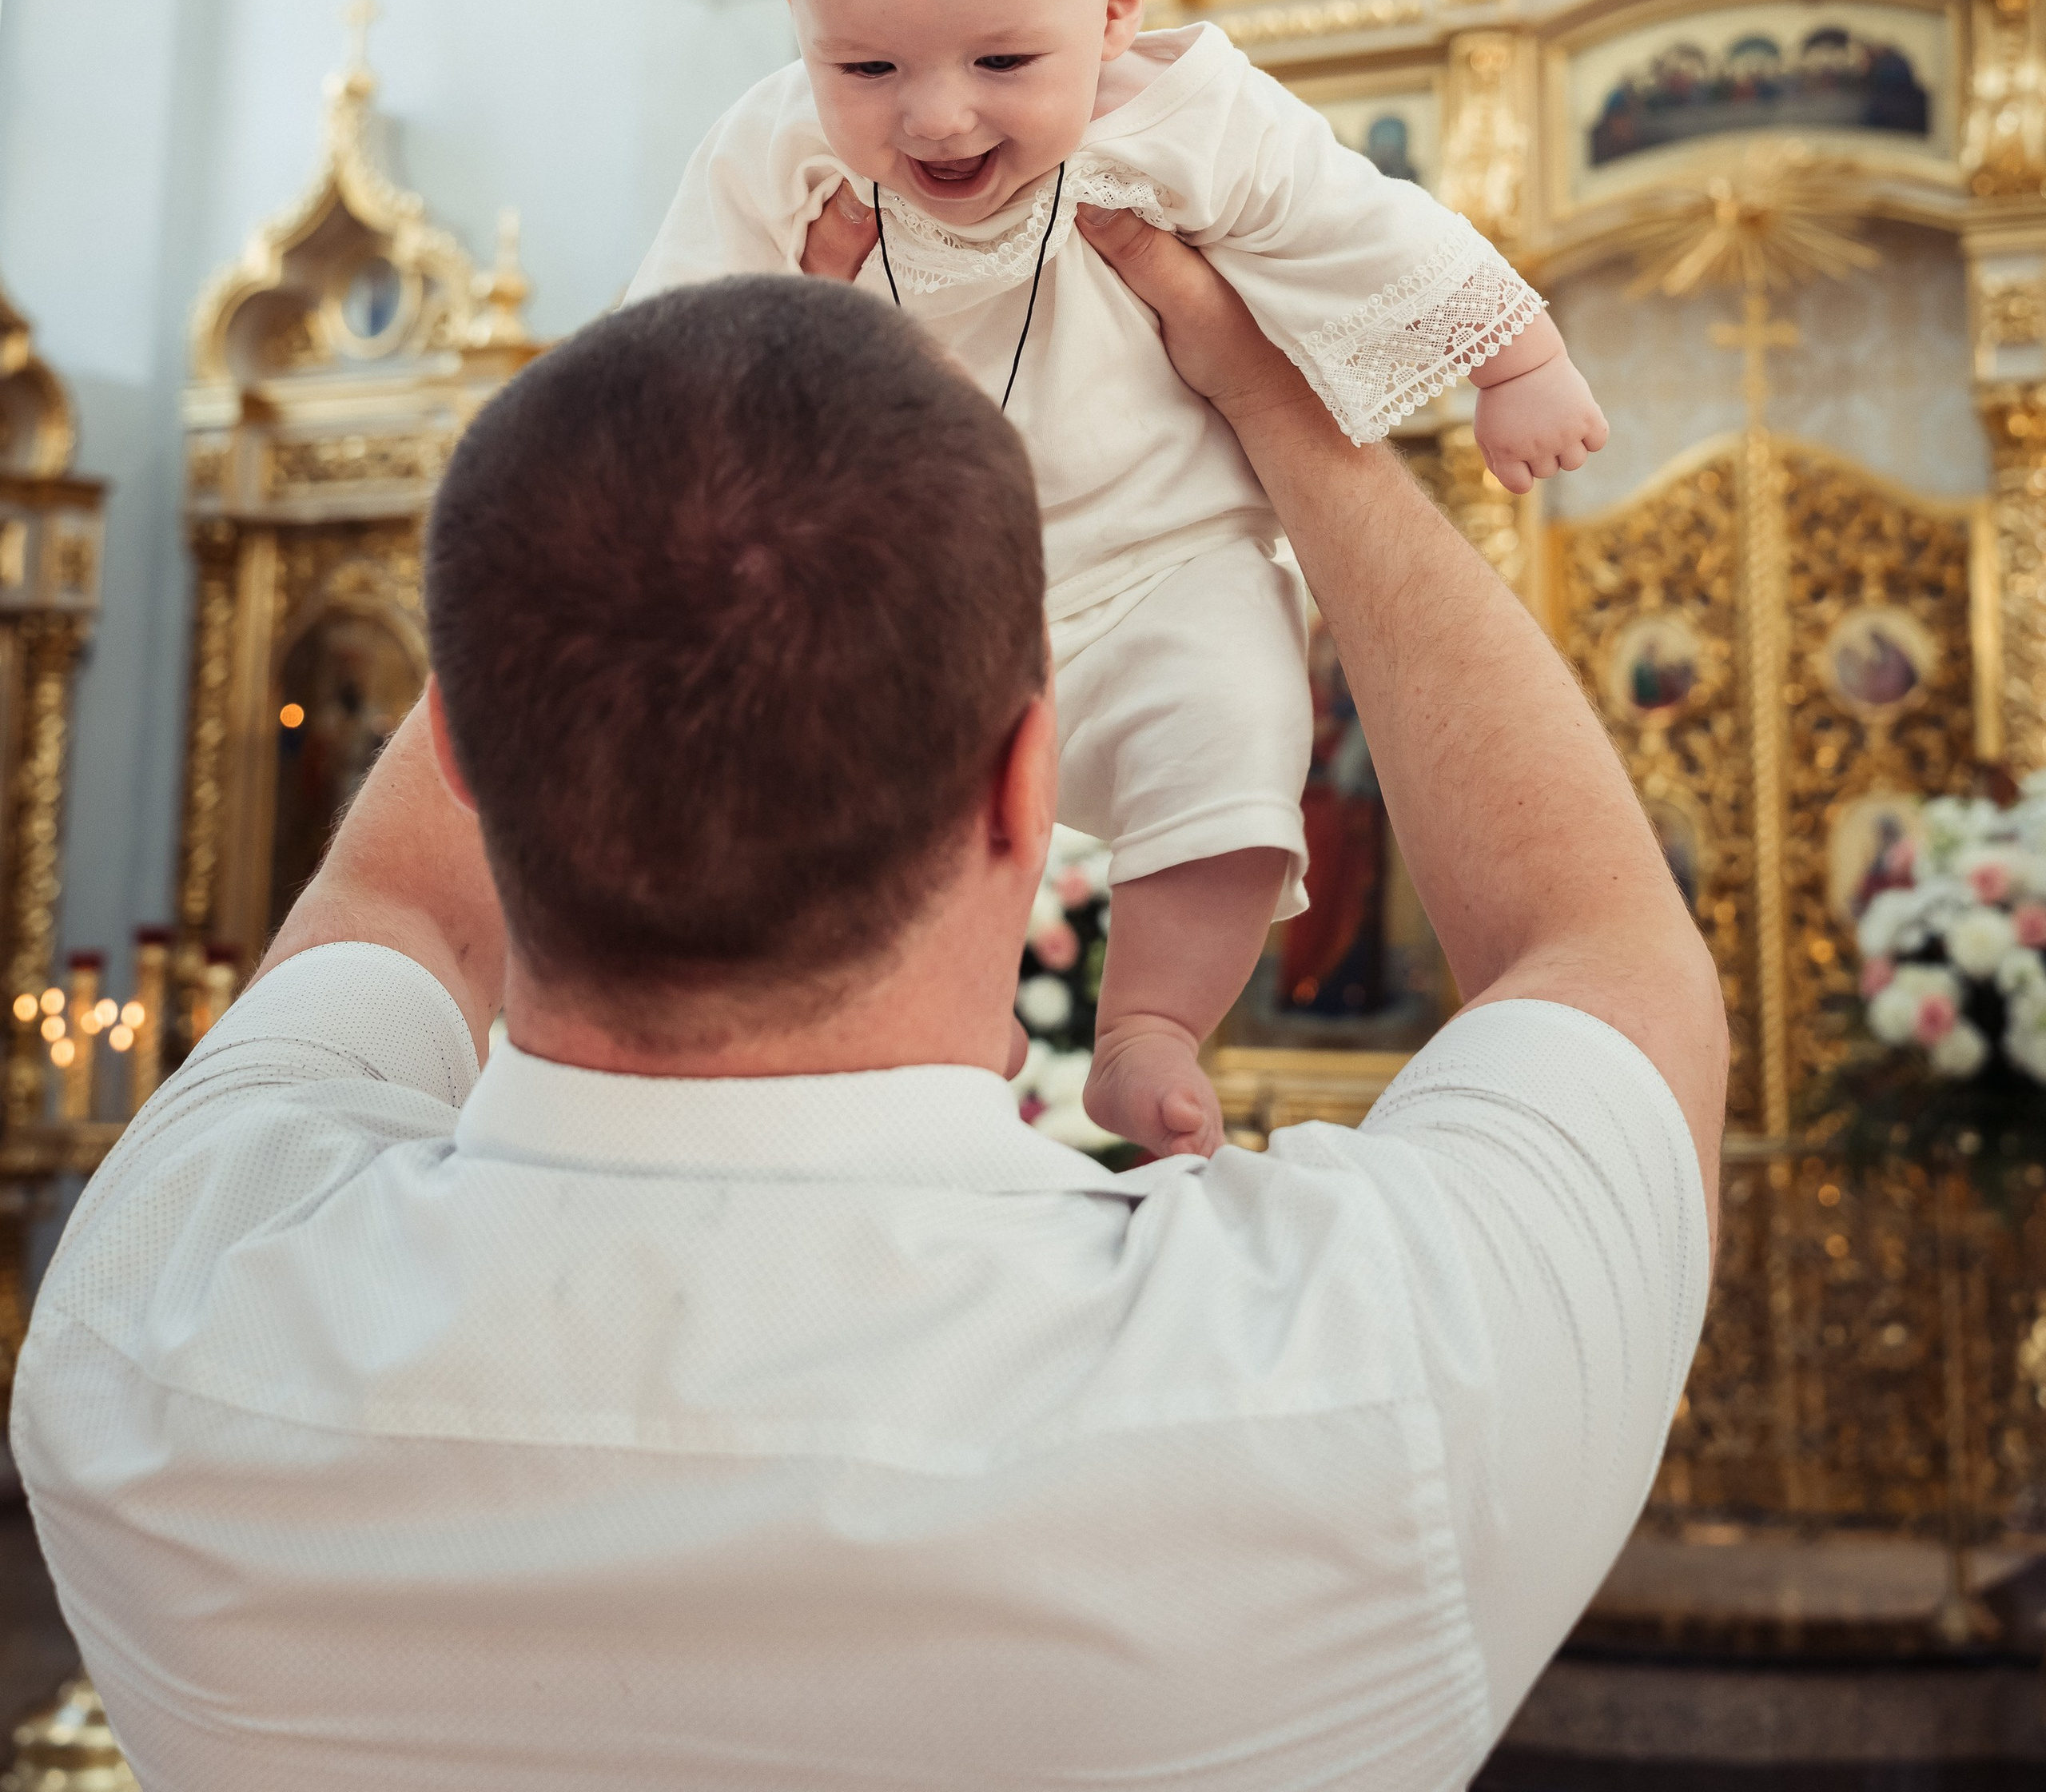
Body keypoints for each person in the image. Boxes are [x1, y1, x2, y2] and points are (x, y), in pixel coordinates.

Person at [13, 244, 1726, 1792]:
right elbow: (1603, 955)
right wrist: (1284, 406)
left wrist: (715, 298)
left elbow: (384, 907)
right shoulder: (1359, 1395)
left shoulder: (153, 1328)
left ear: (463, 751)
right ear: (1025, 784)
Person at [635, 0, 1607, 1157]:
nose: (938, 119)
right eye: (868, 68)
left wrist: (1514, 356)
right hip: (905, 592)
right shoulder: (775, 154)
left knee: (1240, 742)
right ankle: (913, 1034)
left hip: (1163, 565)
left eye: (1002, 63)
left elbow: (1351, 220)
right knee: (839, 797)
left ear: (1114, 7)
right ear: (795, 9)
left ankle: (1147, 1025)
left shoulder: (1182, 119)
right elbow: (664, 343)